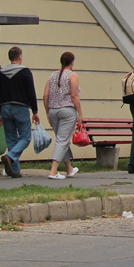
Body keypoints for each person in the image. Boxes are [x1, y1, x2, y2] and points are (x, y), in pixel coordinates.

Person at [0, 46, 39, 178]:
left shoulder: (1, 73)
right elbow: (31, 92)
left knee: (11, 139)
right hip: (21, 107)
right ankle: (10, 156)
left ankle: (15, 170)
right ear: (20, 57)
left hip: (5, 108)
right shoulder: (25, 72)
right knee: (25, 137)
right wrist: (35, 111)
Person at [42, 51, 83, 180]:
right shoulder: (72, 75)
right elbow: (74, 95)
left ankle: (69, 169)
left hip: (53, 110)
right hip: (67, 110)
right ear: (72, 62)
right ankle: (53, 171)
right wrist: (80, 113)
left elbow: (45, 95)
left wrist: (48, 111)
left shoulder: (53, 75)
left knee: (61, 139)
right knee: (62, 140)